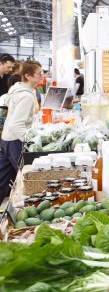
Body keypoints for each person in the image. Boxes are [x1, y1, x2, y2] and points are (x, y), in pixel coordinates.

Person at [0, 60, 43, 202]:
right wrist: (32, 141)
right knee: (25, 179)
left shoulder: (16, 90)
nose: (41, 77)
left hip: (6, 139)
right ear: (28, 76)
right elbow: (17, 125)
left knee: (3, 179)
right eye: (38, 74)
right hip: (15, 142)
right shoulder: (26, 96)